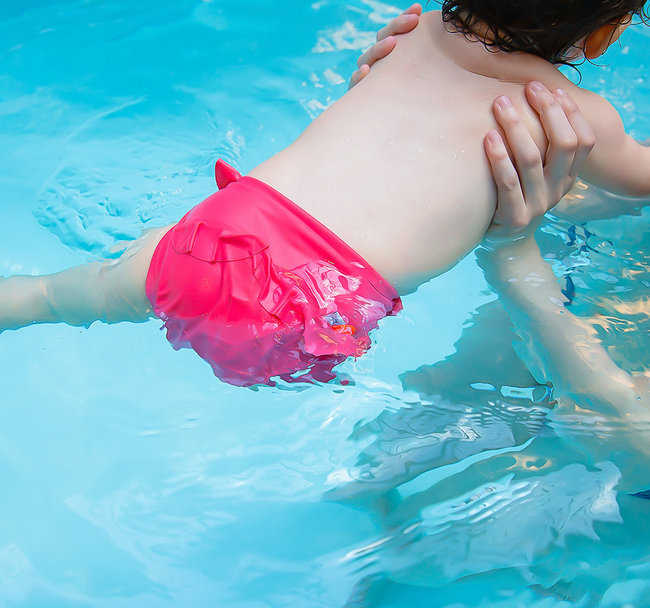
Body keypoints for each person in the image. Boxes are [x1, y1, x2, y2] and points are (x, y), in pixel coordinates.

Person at [0, 3, 615, 386]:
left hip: (222, 231)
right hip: (312, 299)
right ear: (603, 34)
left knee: (60, 294)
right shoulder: (574, 111)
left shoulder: (414, 31)